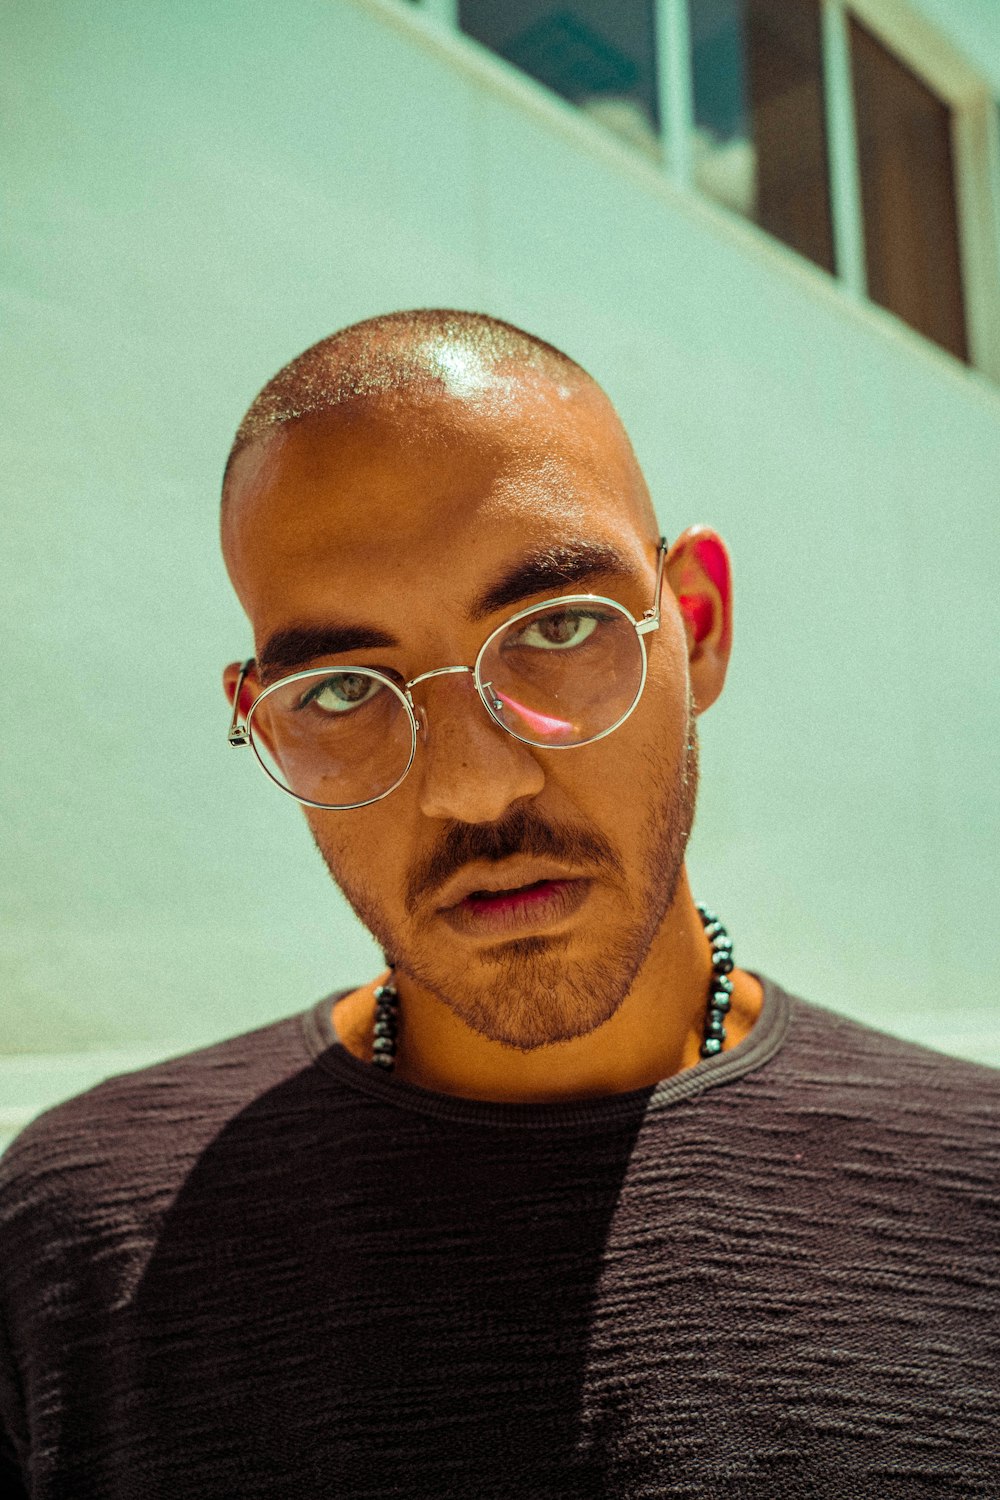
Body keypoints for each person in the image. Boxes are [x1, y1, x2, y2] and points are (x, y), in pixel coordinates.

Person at [1, 310, 996, 1498]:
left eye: (557, 628)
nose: (473, 788)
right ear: (259, 715)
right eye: (339, 692)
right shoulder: (80, 1243)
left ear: (698, 624)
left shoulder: (976, 1195)